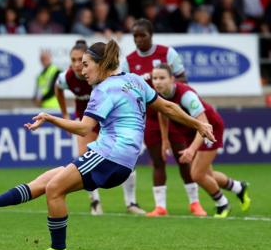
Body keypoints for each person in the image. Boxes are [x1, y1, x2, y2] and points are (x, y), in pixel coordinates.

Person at [0, 40, 215, 250]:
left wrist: (50, 118)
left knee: (54, 189)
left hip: (109, 156)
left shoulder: (103, 90)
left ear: (101, 64)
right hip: (120, 160)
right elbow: (168, 107)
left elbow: (83, 128)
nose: (82, 70)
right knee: (46, 181)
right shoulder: (135, 80)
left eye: (86, 64)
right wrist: (198, 124)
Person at [122, 18, 207, 217]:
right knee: (158, 161)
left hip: (172, 114)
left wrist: (165, 90)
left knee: (183, 158)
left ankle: (195, 203)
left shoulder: (167, 53)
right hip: (149, 119)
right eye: (135, 36)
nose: (138, 39)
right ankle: (160, 206)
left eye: (142, 35)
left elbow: (182, 79)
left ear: (151, 35)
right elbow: (125, 89)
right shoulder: (129, 61)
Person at [55, 39, 145, 215]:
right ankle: (95, 202)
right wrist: (64, 114)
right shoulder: (67, 77)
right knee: (84, 158)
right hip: (87, 121)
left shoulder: (104, 77)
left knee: (123, 159)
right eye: (72, 60)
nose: (76, 64)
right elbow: (57, 88)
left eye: (81, 60)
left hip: (110, 121)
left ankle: (131, 203)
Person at [151, 63, 251, 218]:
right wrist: (165, 139)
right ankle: (239, 187)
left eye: (162, 78)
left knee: (197, 174)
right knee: (206, 173)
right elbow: (162, 113)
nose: (157, 82)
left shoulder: (186, 95)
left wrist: (191, 149)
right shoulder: (160, 94)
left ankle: (222, 204)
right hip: (192, 131)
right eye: (154, 78)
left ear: (172, 79)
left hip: (210, 129)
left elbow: (204, 125)